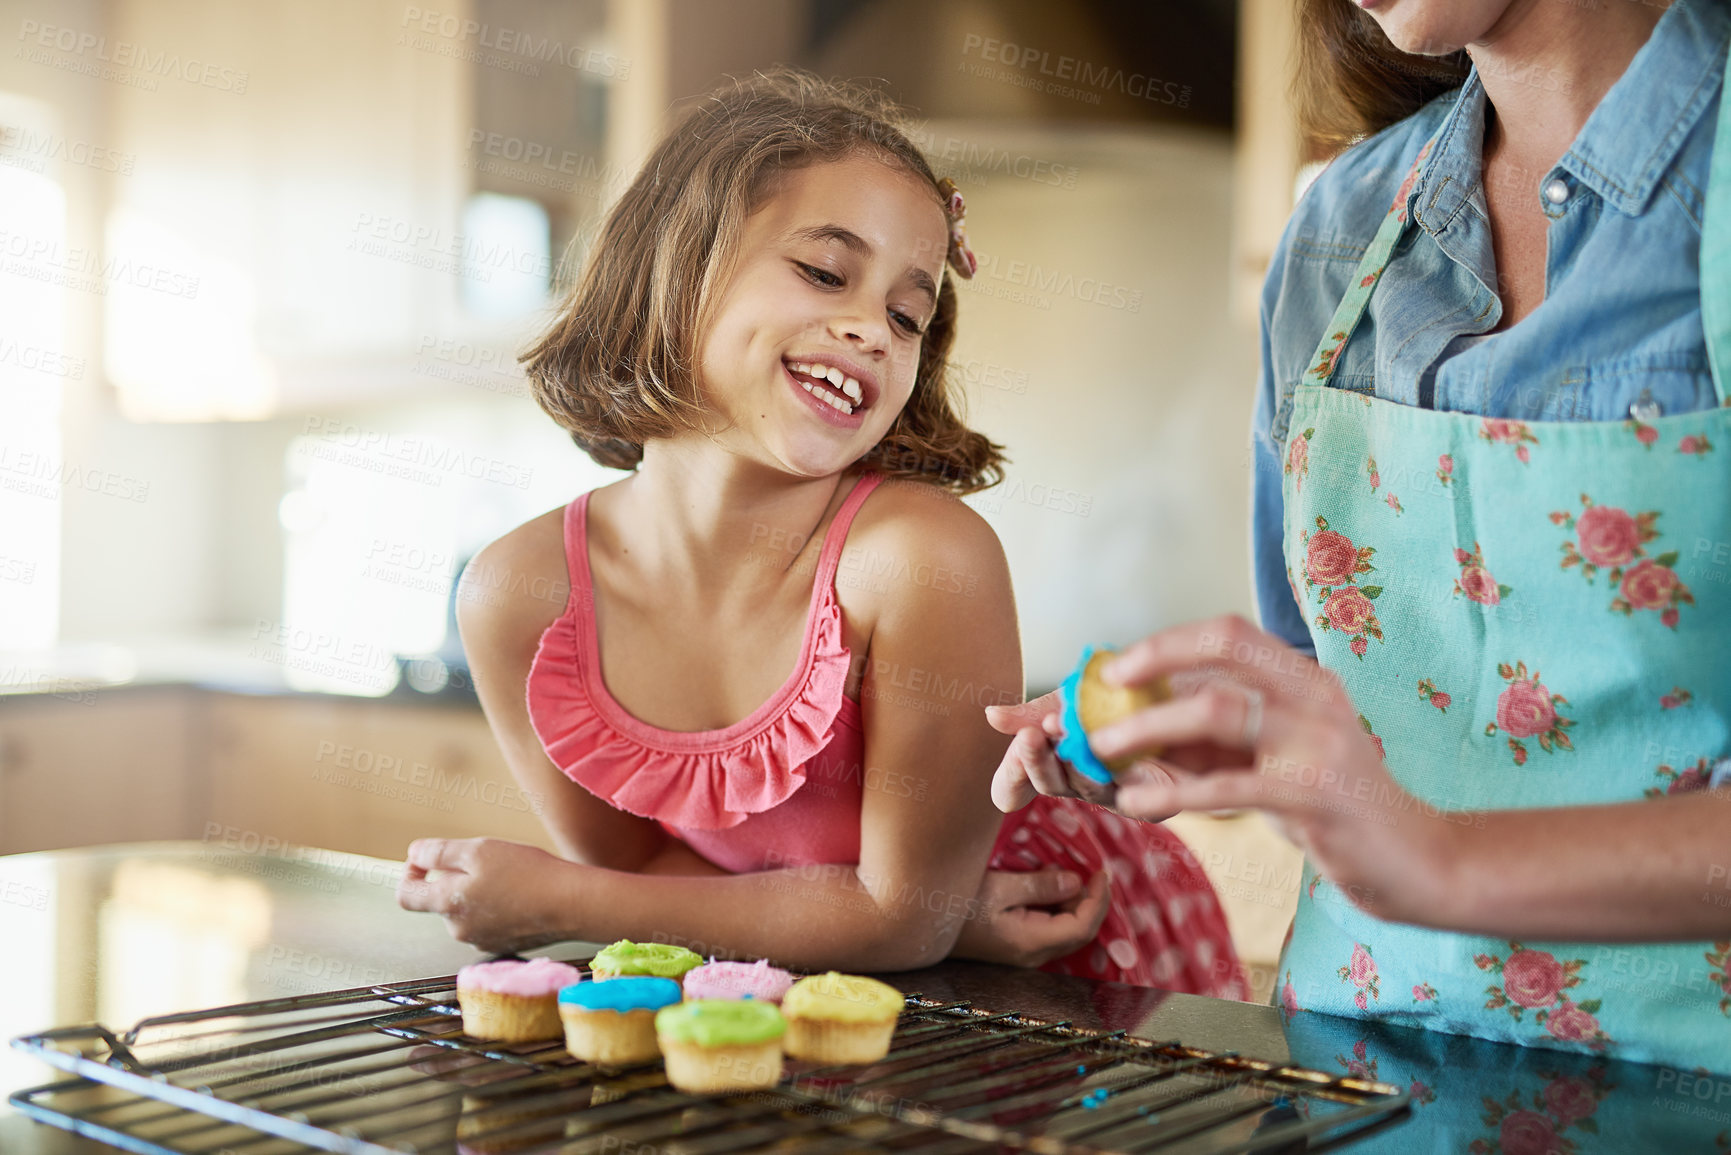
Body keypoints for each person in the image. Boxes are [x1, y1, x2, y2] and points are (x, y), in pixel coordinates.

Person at [989, 0, 1731, 1072]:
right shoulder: (1342, 227)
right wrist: (1228, 737)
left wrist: (1440, 861)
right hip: (1360, 1076)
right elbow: (1338, 703)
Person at [397, 70, 1247, 999]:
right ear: (674, 266)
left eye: (906, 314)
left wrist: (566, 900)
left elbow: (892, 916)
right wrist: (882, 923)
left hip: (1063, 968)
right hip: (820, 984)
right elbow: (651, 883)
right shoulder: (516, 595)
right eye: (823, 271)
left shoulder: (923, 560)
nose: (873, 331)